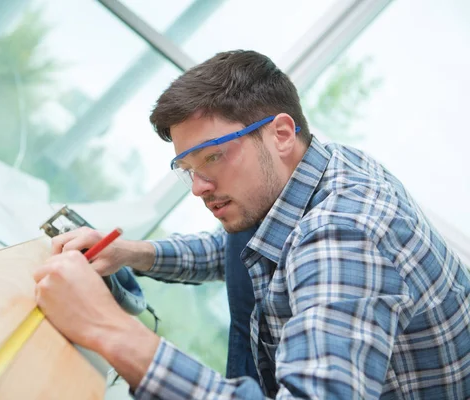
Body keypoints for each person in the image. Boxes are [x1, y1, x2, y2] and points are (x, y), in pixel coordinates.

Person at [33, 50, 470, 399]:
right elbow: (247, 247)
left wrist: (109, 328)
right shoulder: (309, 170)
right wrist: (131, 253)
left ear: (280, 133)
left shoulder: (346, 234)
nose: (198, 188)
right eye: (188, 167)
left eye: (213, 156)